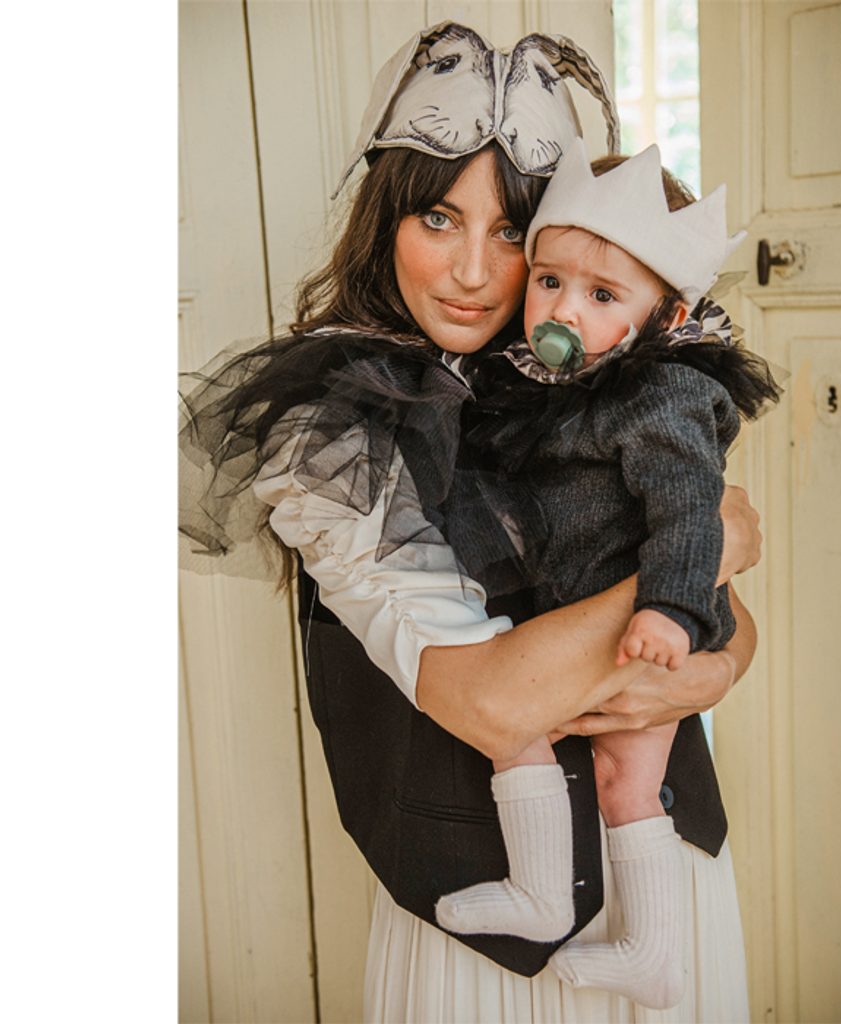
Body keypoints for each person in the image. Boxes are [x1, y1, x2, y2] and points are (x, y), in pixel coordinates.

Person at [179, 21, 760, 1023]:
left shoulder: (598, 370)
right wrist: (718, 546)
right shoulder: (331, 430)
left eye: (511, 233)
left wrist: (721, 665)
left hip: (662, 871)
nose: (474, 273)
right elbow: (493, 703)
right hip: (479, 933)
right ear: (385, 220)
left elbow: (727, 626)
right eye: (439, 218)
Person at [433, 140, 780, 1010]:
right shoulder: (541, 380)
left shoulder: (660, 395)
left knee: (629, 782)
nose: (562, 309)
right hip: (570, 617)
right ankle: (542, 893)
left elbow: (690, 511)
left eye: (601, 295)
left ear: (665, 316)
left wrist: (668, 611)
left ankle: (653, 953)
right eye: (550, 281)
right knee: (514, 728)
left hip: (645, 623)